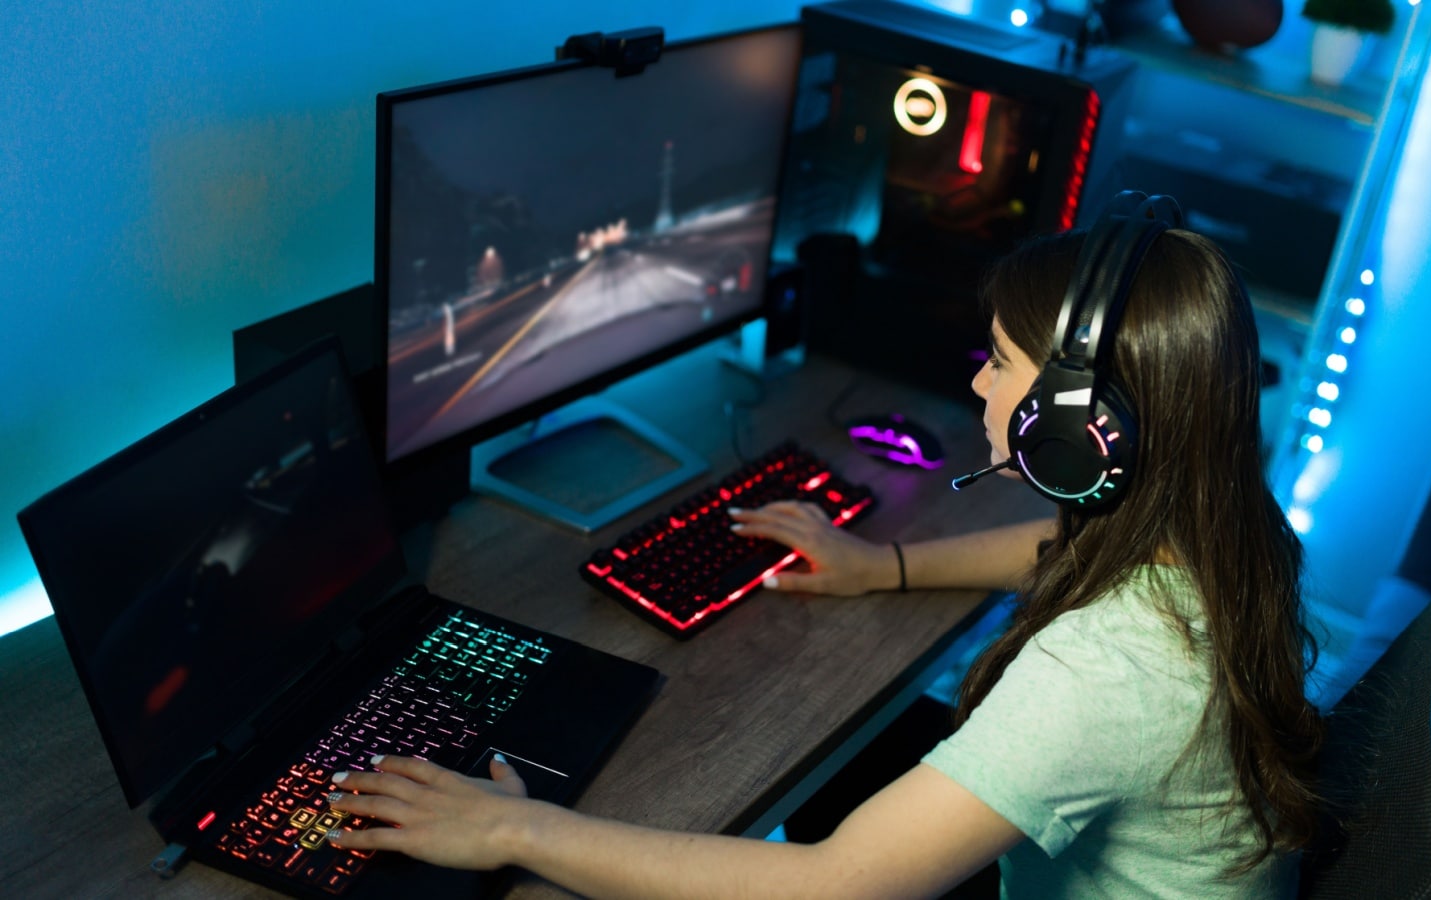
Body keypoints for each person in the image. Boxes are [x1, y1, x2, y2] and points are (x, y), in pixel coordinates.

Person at [326, 222, 1325, 898]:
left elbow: (840, 884)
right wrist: (878, 568)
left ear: (1077, 430)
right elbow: (1055, 545)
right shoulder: (1216, 518)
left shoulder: (1112, 668)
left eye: (999, 361)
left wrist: (515, 832)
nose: (976, 380)